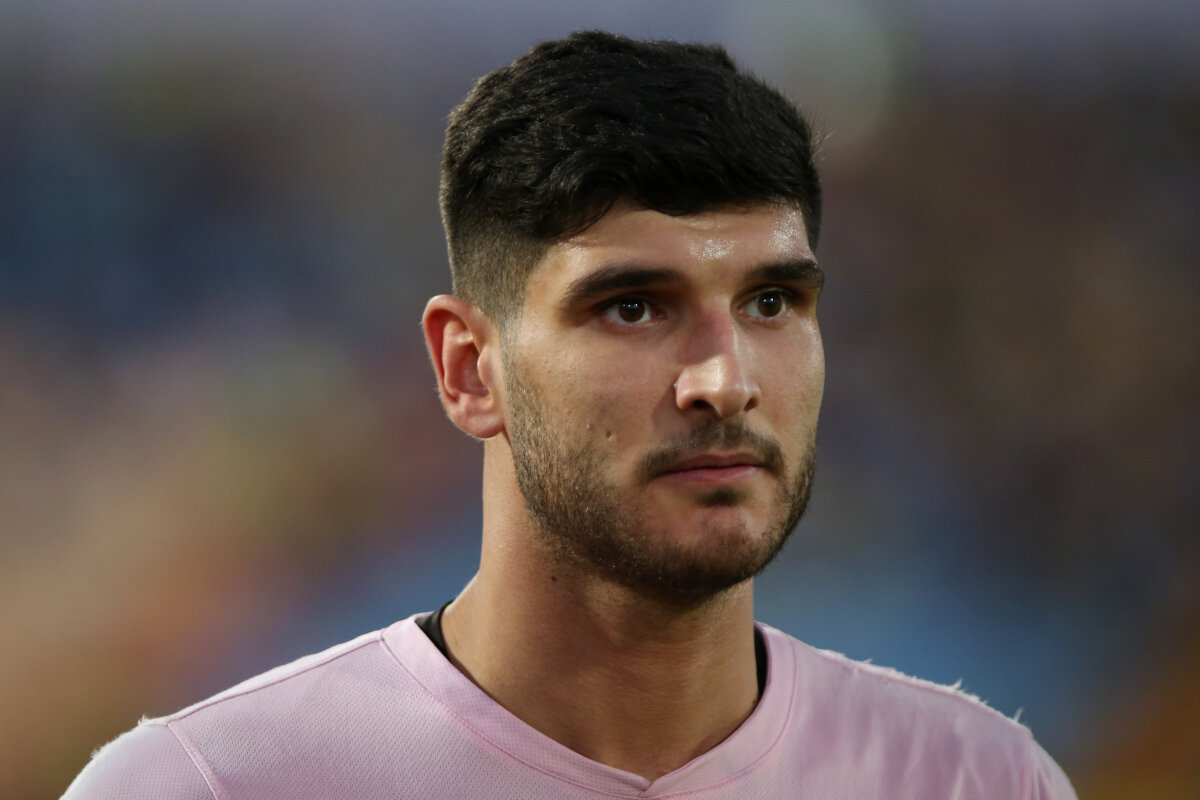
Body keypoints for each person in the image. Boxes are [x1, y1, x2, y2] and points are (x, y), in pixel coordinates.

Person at [63, 31, 1077, 799]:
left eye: (771, 301)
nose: (724, 380)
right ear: (469, 369)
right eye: (632, 307)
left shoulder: (977, 778)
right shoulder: (206, 786)